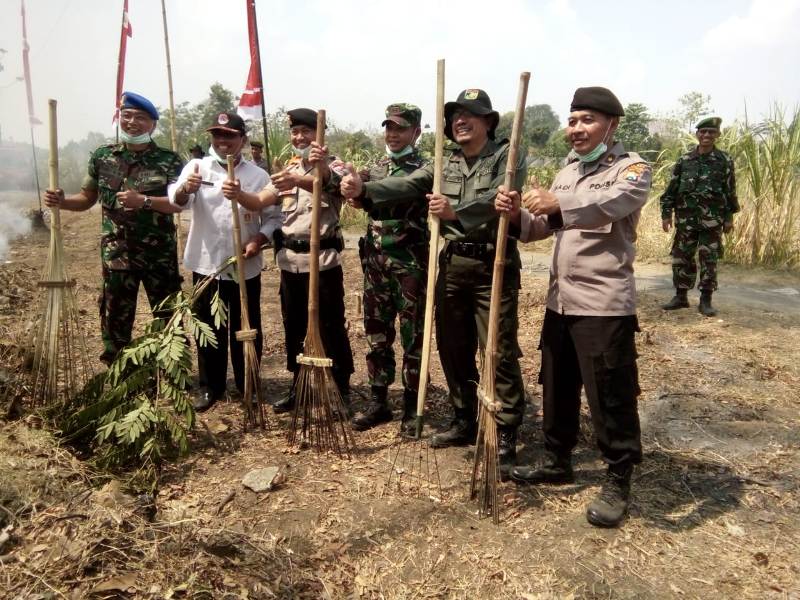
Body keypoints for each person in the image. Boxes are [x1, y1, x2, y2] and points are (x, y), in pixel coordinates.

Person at [341, 89, 526, 476]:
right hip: (454, 263)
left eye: (470, 114)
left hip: (494, 261)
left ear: (488, 122)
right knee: (452, 346)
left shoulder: (506, 157)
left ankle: (506, 428)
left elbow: (500, 200)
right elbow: (408, 185)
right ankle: (464, 417)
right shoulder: (447, 162)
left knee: (498, 349)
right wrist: (365, 191)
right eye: (455, 114)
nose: (461, 120)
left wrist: (455, 211)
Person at [496, 86, 651, 528]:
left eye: (586, 120)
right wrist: (513, 216)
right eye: (573, 121)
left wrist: (558, 202)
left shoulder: (632, 169)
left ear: (611, 124)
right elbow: (539, 228)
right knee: (556, 383)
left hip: (603, 304)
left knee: (609, 394)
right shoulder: (567, 170)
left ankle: (618, 477)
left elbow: (611, 205)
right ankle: (556, 459)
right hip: (559, 301)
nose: (576, 130)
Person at [43, 91, 183, 365]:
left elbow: (178, 204)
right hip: (117, 254)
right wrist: (62, 201)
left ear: (153, 124)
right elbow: (86, 199)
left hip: (159, 256)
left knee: (168, 314)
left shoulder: (169, 160)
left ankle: (173, 370)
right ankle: (119, 374)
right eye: (127, 116)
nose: (132, 122)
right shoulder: (102, 157)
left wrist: (142, 201)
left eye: (140, 118)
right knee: (115, 316)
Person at [169, 112, 274, 411]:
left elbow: (272, 219)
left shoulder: (257, 176)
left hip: (244, 266)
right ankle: (210, 386)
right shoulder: (197, 168)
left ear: (242, 139)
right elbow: (178, 202)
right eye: (218, 135)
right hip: (207, 265)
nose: (223, 141)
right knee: (208, 329)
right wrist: (184, 189)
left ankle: (248, 384)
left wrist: (258, 240)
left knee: (247, 327)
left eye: (229, 136)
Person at [254, 108, 354, 413]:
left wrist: (309, 173)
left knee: (331, 325)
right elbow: (261, 200)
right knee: (294, 325)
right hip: (290, 261)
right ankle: (298, 385)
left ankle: (341, 388)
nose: (300, 137)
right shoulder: (290, 167)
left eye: (306, 131)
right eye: (295, 132)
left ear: (319, 134)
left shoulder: (333, 165)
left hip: (322, 262)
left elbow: (331, 185)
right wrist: (236, 195)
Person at [347, 103, 428, 433]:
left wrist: (363, 190)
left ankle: (412, 406)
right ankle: (378, 400)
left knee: (413, 337)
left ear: (416, 132)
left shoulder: (425, 168)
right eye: (389, 128)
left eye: (400, 128)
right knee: (377, 334)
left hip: (410, 266)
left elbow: (400, 190)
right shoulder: (377, 167)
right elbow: (352, 188)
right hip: (376, 265)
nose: (392, 134)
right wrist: (335, 176)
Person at [660, 117, 738, 317]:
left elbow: (730, 191)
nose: (706, 136)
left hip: (712, 221)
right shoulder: (685, 160)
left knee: (708, 259)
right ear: (697, 135)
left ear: (717, 135)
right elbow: (672, 188)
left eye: (711, 132)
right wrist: (666, 213)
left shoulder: (724, 161)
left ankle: (706, 300)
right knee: (681, 258)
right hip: (686, 220)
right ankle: (680, 297)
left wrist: (729, 217)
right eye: (703, 132)